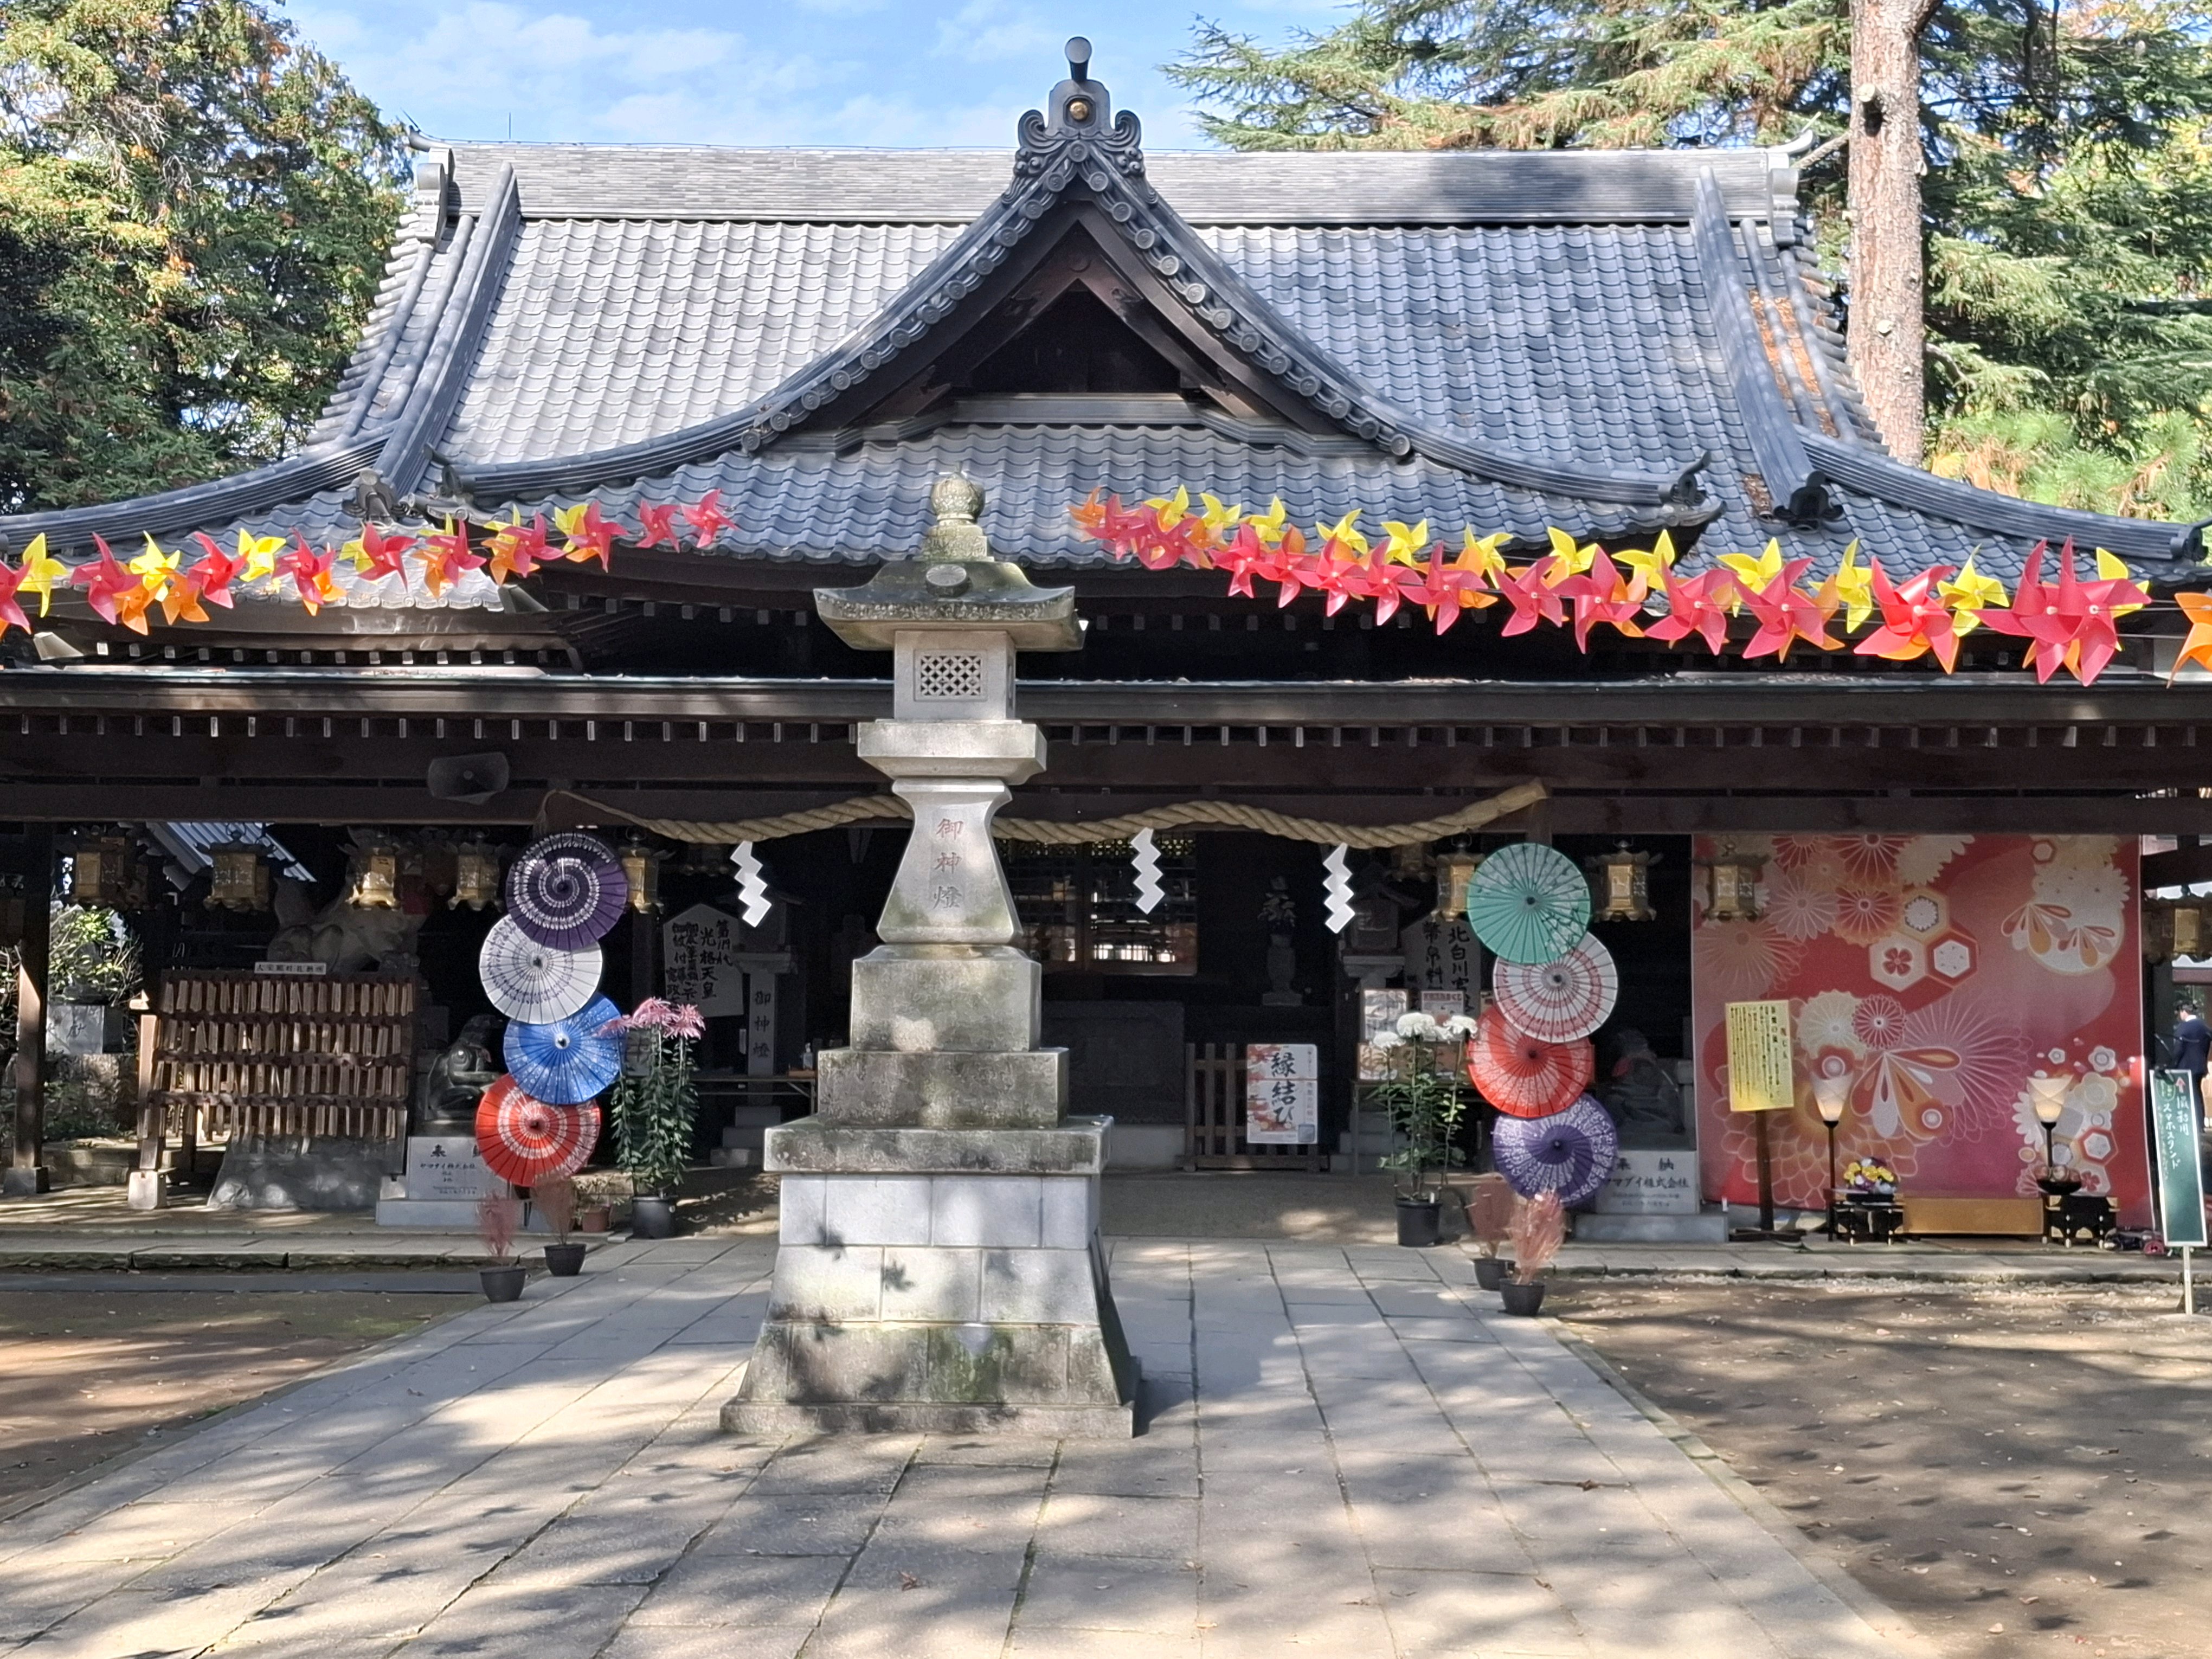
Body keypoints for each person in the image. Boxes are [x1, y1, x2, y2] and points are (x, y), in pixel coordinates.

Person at [2174, 1000, 2211, 1096]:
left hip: (2185, 1067)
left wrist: (2174, 1064)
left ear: (2184, 1012)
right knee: (2197, 1093)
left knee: (2189, 1095)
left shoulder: (2183, 1028)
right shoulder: (2204, 1027)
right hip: (2201, 1067)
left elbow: (2178, 1049)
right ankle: (2200, 1107)